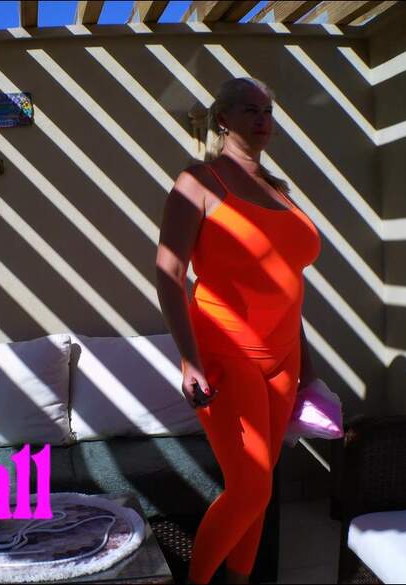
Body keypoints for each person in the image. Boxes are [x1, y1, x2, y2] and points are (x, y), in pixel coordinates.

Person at [155, 77, 322, 584]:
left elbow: (287, 285)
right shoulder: (198, 181)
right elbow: (169, 273)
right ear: (223, 118)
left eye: (268, 111)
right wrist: (190, 361)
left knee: (261, 486)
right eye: (251, 109)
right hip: (226, 351)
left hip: (284, 357)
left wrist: (309, 369)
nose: (263, 119)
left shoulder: (280, 191)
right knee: (249, 488)